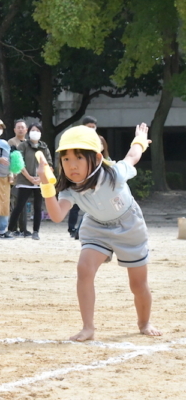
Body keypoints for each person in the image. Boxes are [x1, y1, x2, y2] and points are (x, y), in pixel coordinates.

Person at [37, 123, 161, 341]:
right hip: (96, 226)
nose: (72, 165)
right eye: (66, 159)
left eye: (78, 158)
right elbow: (56, 216)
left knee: (138, 284)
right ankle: (88, 328)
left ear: (95, 158)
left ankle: (144, 322)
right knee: (84, 268)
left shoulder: (113, 173)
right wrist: (46, 185)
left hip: (129, 225)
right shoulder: (70, 188)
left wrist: (139, 140)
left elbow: (132, 156)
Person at [8, 123, 53, 240]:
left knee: (38, 207)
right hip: (24, 181)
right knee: (19, 206)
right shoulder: (23, 145)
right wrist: (29, 178)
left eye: (38, 130)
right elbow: (19, 163)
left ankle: (36, 231)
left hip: (40, 182)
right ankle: (10, 229)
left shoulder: (44, 147)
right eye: (33, 130)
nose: (35, 132)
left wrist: (40, 178)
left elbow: (49, 165)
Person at [65, 116, 98, 239]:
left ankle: (80, 230)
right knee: (75, 206)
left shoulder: (97, 141)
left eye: (93, 127)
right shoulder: (76, 141)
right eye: (89, 127)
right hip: (78, 176)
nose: (91, 129)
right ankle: (72, 228)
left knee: (90, 207)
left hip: (92, 177)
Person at [8, 119, 29, 237]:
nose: (21, 129)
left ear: (26, 130)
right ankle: (14, 228)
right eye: (18, 127)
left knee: (24, 204)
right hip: (16, 178)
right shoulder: (11, 142)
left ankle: (23, 228)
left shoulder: (29, 143)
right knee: (15, 203)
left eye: (23, 127)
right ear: (15, 130)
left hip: (27, 178)